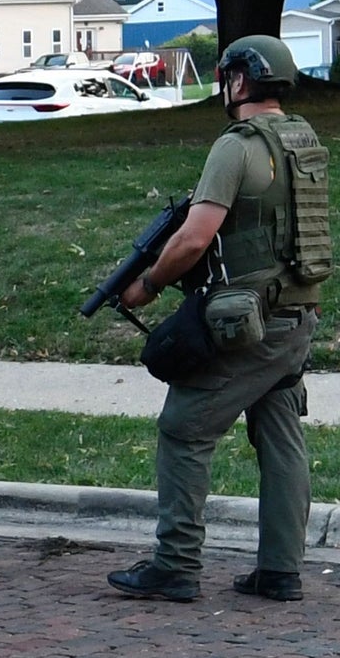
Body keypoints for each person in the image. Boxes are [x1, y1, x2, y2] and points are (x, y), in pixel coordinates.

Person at [107, 36, 324, 603]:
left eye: (228, 76)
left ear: (241, 80)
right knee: (280, 434)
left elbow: (195, 236)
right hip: (297, 314)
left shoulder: (237, 146)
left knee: (183, 428)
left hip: (248, 323)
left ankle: (176, 564)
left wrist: (148, 284)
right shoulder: (302, 138)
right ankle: (281, 570)